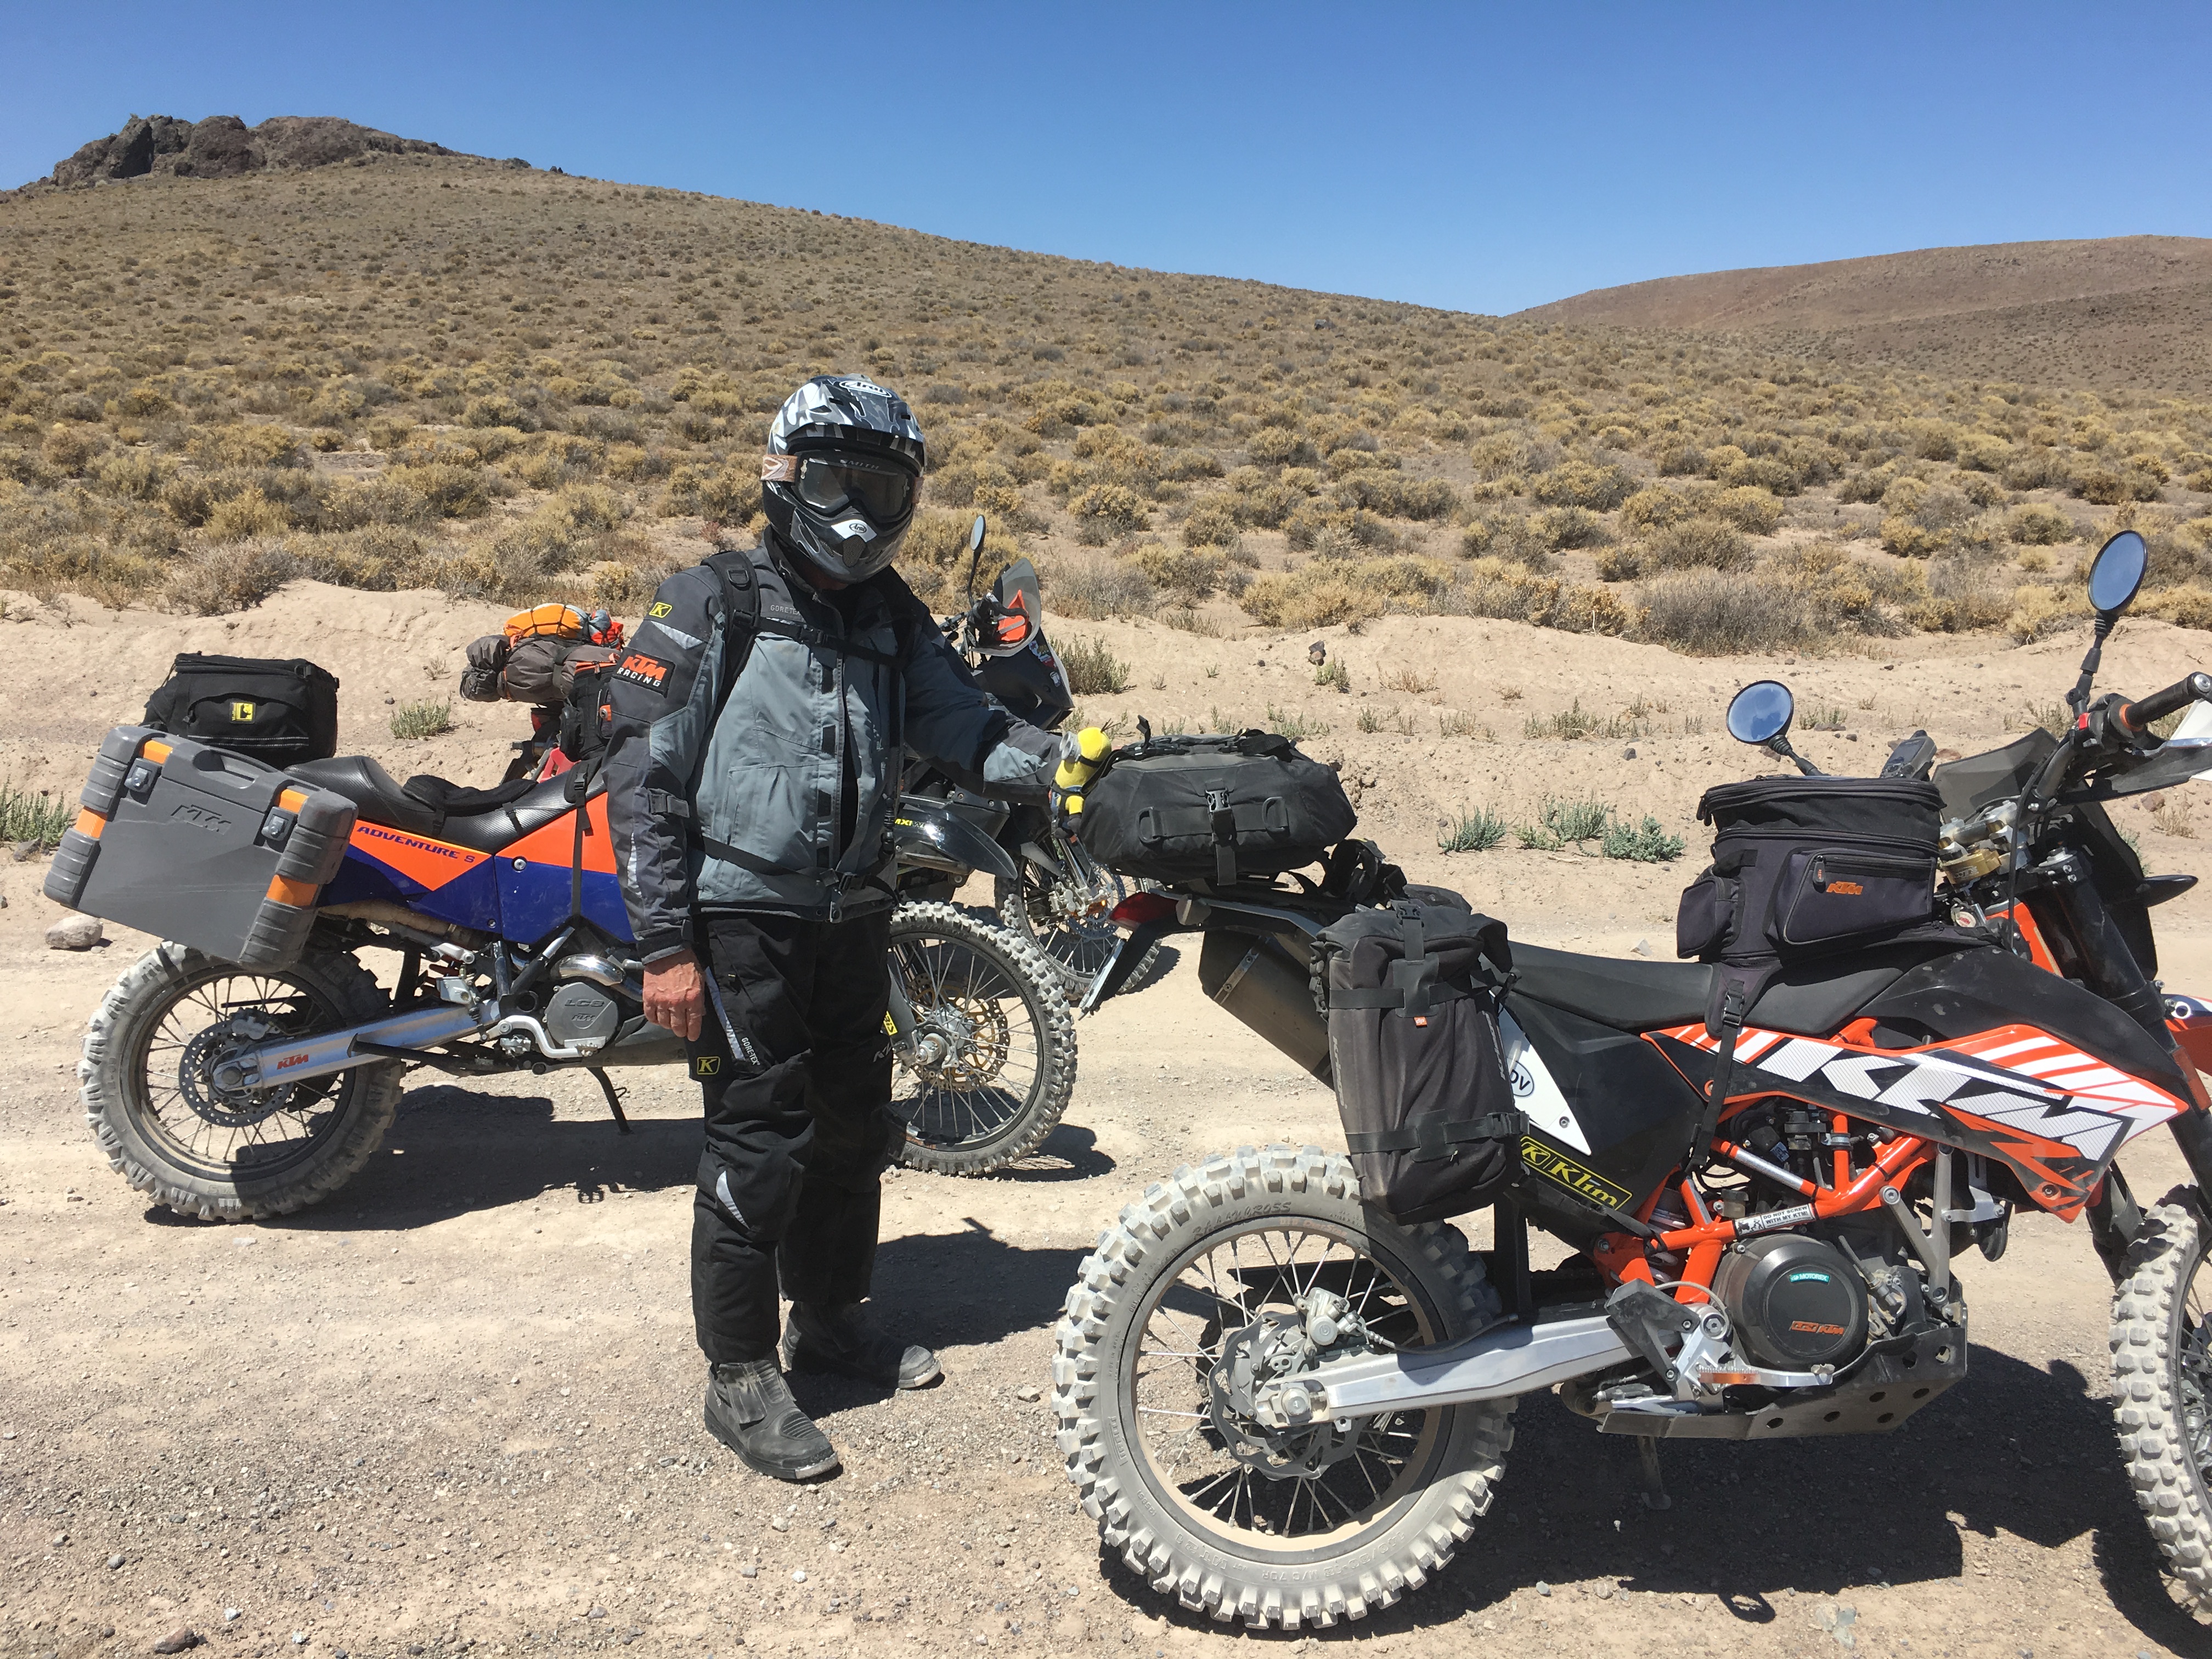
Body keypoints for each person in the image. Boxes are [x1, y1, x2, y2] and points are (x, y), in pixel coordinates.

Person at [601, 374, 1089, 1482]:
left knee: (853, 1131)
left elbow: (965, 724)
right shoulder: (714, 599)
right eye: (835, 483)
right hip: (745, 920)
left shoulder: (890, 613)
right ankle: (739, 1372)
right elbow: (645, 779)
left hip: (857, 911)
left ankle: (827, 1321)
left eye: (880, 488)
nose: (858, 513)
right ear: (785, 477)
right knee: (758, 1141)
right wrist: (665, 947)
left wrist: (1067, 768)